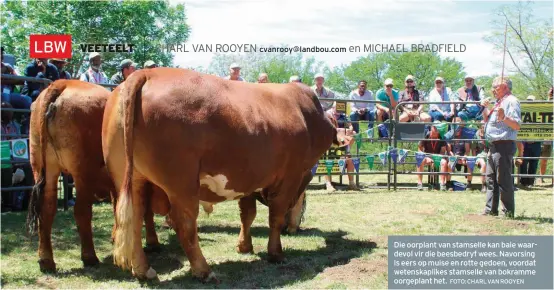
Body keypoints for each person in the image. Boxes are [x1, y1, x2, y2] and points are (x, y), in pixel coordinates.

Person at [481, 76, 521, 218]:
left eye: (496, 86)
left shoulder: (511, 101)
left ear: (505, 87)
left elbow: (516, 125)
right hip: (493, 145)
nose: (493, 89)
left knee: (503, 179)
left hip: (504, 144)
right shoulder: (498, 102)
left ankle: (507, 212)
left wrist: (504, 117)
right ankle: (490, 209)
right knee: (490, 179)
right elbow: (486, 120)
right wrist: (485, 108)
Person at [324, 107, 358, 191]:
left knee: (349, 158)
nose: (339, 109)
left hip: (342, 142)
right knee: (328, 159)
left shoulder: (345, 116)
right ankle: (328, 183)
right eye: (337, 106)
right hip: (330, 144)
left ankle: (351, 183)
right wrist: (341, 131)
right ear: (333, 107)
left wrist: (343, 131)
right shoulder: (327, 115)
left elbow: (351, 129)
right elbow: (329, 130)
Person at [518, 95, 541, 188]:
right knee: (523, 162)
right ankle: (523, 181)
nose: (529, 102)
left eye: (531, 100)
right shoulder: (522, 113)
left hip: (537, 142)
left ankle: (531, 182)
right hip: (525, 142)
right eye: (528, 100)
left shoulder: (539, 114)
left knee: (534, 162)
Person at [416, 124, 449, 191]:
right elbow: (419, 149)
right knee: (420, 160)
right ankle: (419, 183)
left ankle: (442, 184)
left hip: (438, 157)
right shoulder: (425, 135)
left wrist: (437, 158)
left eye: (437, 131)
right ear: (431, 129)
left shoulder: (442, 137)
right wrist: (425, 156)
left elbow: (443, 151)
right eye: (433, 132)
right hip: (426, 156)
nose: (434, 135)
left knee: (444, 162)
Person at [539, 87, 553, 185]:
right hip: (547, 136)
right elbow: (547, 108)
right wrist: (549, 96)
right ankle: (540, 177)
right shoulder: (549, 104)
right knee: (543, 160)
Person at [471, 122, 488, 193]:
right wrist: (475, 159)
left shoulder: (489, 134)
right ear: (480, 127)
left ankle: (494, 185)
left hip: (489, 154)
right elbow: (473, 148)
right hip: (480, 155)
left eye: (485, 125)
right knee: (483, 165)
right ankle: (484, 184)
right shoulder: (476, 135)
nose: (484, 127)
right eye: (482, 126)